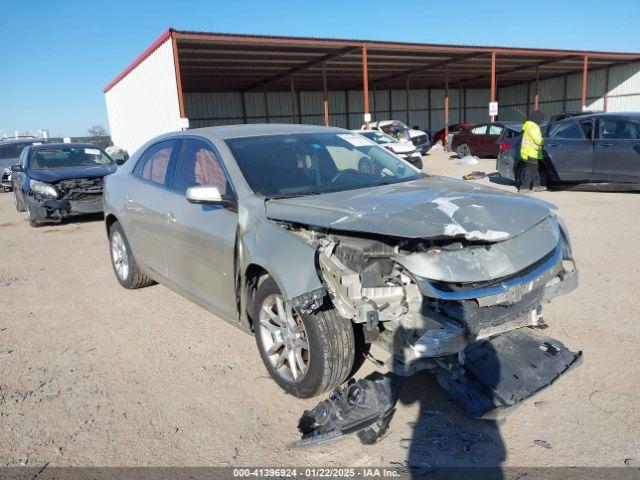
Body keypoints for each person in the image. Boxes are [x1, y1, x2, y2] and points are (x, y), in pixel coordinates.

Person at [519, 110, 545, 192]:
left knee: (534, 169)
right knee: (530, 170)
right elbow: (537, 139)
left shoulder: (528, 126)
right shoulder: (534, 127)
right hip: (531, 152)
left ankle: (536, 185)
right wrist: (544, 141)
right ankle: (524, 188)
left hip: (526, 152)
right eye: (541, 119)